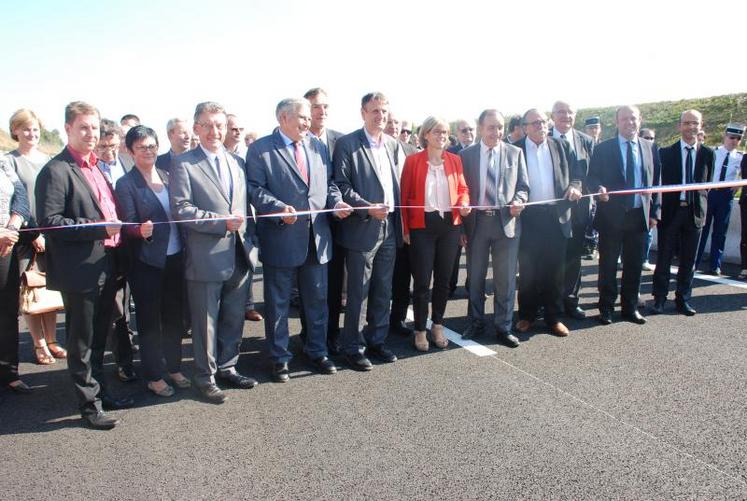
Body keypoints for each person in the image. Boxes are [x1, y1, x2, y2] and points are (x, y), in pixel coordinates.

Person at [36, 101, 132, 430]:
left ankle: (102, 393)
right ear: (67, 129)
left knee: (98, 340)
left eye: (94, 128)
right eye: (84, 128)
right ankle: (89, 407)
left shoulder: (95, 167)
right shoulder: (56, 170)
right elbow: (50, 223)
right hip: (80, 271)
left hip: (106, 265)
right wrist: (98, 228)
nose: (91, 134)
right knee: (81, 343)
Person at [247, 98, 352, 382]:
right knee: (278, 303)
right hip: (281, 236)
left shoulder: (317, 147)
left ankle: (317, 351)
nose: (308, 122)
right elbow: (255, 190)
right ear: (283, 118)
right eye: (303, 118)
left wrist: (338, 202)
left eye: (308, 118)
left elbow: (328, 183)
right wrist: (278, 209)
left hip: (317, 237)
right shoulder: (260, 150)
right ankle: (280, 357)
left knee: (317, 300)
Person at [170, 101, 258, 404]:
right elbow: (182, 209)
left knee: (234, 315)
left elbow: (245, 206)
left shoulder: (236, 162)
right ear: (196, 128)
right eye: (207, 125)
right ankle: (205, 377)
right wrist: (221, 222)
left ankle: (228, 366)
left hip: (239, 252)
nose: (214, 131)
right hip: (205, 255)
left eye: (219, 125)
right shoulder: (184, 163)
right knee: (205, 321)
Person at [115, 125, 190, 397]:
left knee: (174, 318)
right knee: (149, 321)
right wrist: (139, 230)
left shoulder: (169, 176)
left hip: (175, 257)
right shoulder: (125, 184)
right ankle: (154, 375)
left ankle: (174, 367)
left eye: (151, 146)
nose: (148, 151)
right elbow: (127, 223)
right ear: (131, 151)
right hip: (146, 262)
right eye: (142, 147)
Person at [334, 92, 403, 371]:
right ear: (363, 112)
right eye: (374, 111)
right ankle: (353, 347)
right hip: (362, 226)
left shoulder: (394, 145)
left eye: (384, 111)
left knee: (383, 289)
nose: (380, 116)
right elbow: (342, 184)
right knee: (359, 292)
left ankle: (377, 340)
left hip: (389, 227)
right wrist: (366, 207)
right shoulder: (347, 144)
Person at [400, 116, 470, 351]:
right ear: (426, 134)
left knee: (443, 280)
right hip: (422, 226)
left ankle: (437, 324)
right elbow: (404, 196)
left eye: (445, 132)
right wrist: (406, 228)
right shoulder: (413, 161)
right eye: (438, 132)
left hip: (450, 225)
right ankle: (420, 329)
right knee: (421, 281)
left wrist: (464, 202)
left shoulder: (455, 160)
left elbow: (462, 189)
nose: (442, 136)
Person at [460, 109, 528, 347]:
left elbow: (523, 186)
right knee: (476, 278)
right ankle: (476, 322)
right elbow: (461, 190)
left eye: (500, 127)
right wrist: (461, 229)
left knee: (505, 279)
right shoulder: (466, 155)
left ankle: (503, 326)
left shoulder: (515, 152)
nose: (496, 132)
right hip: (476, 225)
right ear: (480, 128)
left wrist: (520, 199)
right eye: (491, 127)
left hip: (506, 224)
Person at [587, 105, 658, 325]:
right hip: (611, 216)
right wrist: (598, 191)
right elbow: (592, 178)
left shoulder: (649, 147)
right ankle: (606, 308)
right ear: (617, 122)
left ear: (640, 120)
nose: (630, 122)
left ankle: (630, 308)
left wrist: (655, 212)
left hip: (639, 216)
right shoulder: (603, 149)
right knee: (607, 266)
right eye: (625, 119)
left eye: (634, 118)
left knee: (634, 265)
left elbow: (656, 183)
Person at [514, 109, 582, 337]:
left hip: (557, 217)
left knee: (555, 272)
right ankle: (526, 315)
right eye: (534, 123)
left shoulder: (560, 145)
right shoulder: (516, 149)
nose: (541, 126)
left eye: (543, 122)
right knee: (528, 271)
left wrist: (575, 186)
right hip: (529, 218)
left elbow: (577, 174)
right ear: (524, 127)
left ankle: (553, 318)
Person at [6, 109, 64, 365]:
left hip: (51, 235)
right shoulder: (10, 161)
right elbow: (16, 202)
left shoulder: (49, 159)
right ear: (15, 130)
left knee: (49, 289)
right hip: (24, 237)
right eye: (26, 129)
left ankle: (52, 339)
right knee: (30, 289)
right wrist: (33, 234)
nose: (32, 134)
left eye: (36, 129)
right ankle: (39, 344)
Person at [651, 110, 715, 316]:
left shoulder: (708, 154)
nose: (690, 127)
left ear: (701, 125)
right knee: (664, 259)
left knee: (689, 260)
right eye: (686, 123)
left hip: (695, 214)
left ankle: (683, 299)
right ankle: (659, 299)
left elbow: (708, 186)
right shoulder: (665, 153)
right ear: (679, 126)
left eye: (694, 123)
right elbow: (658, 185)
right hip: (671, 213)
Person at [304, 87, 346, 351]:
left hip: (340, 224)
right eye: (316, 106)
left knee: (333, 286)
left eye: (325, 107)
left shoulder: (340, 141)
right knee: (310, 289)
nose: (322, 111)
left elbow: (340, 180)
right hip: (309, 227)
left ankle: (331, 335)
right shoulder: (296, 140)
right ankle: (309, 336)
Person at [96, 119, 137, 382]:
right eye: (103, 147)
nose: (109, 152)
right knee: (117, 311)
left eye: (113, 146)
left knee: (134, 307)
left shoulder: (128, 163)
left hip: (133, 246)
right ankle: (124, 362)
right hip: (106, 251)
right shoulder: (88, 171)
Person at [550, 101, 595, 321]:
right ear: (552, 115)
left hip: (577, 211)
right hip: (548, 214)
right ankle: (547, 302)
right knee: (549, 259)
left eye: (569, 112)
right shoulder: (542, 138)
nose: (565, 116)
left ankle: (570, 300)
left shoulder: (586, 141)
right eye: (560, 112)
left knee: (573, 258)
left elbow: (592, 174)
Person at [223, 113, 261, 322]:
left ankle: (248, 305)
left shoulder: (241, 159)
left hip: (245, 223)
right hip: (219, 229)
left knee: (245, 266)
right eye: (233, 129)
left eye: (240, 130)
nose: (238, 133)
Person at [695, 124, 744, 275]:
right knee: (701, 229)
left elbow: (743, 173)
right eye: (731, 137)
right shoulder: (713, 152)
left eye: (738, 138)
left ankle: (715, 265)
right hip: (710, 193)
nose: (734, 141)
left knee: (720, 231)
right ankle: (694, 262)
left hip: (725, 196)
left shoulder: (741, 157)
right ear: (725, 136)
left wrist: (739, 185)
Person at [384, 110, 416, 339]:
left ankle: (398, 318)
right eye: (391, 122)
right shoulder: (372, 149)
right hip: (382, 223)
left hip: (407, 223)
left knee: (403, 275)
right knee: (381, 276)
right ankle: (376, 321)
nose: (395, 126)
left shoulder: (413, 153)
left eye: (399, 123)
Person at [0, 159, 31, 393]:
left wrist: (13, 224)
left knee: (8, 310)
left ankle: (9, 372)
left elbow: (20, 193)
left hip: (6, 245)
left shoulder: (3, 161)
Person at [639, 127, 659, 272]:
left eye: (652, 138)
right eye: (646, 138)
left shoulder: (656, 156)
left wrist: (655, 212)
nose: (649, 141)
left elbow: (658, 185)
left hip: (649, 205)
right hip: (633, 206)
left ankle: (644, 258)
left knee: (648, 235)